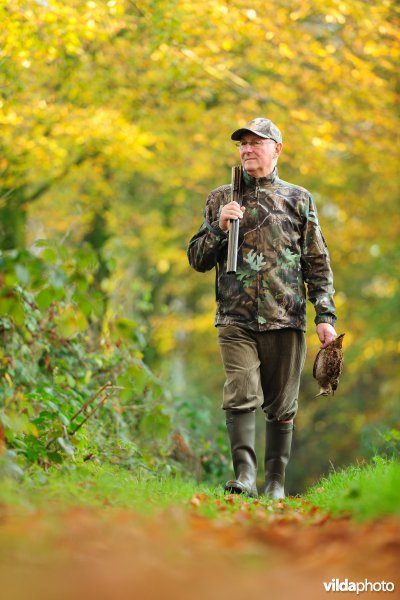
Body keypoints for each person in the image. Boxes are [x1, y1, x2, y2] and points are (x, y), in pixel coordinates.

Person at [187, 118, 337, 499]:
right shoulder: (221, 198)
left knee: (282, 403)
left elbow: (316, 262)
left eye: (257, 142)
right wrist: (219, 228)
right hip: (234, 318)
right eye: (243, 144)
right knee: (240, 391)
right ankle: (245, 476)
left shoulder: (298, 199)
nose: (248, 149)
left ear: (277, 150)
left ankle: (274, 483)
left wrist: (325, 317)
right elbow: (197, 259)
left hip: (285, 317)